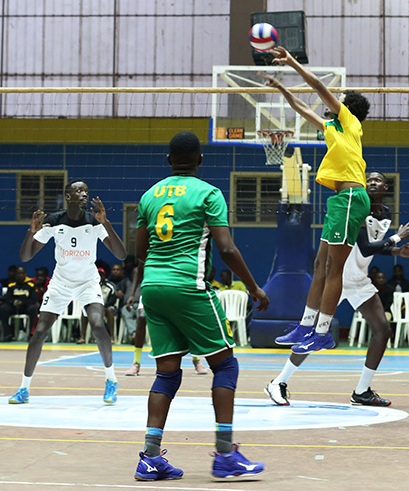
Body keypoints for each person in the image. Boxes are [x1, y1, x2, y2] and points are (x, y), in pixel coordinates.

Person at [130, 131, 269, 481]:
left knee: (166, 374)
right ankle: (224, 455)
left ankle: (149, 458)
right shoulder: (209, 193)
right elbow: (226, 249)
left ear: (168, 160)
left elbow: (141, 252)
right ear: (200, 160)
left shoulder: (149, 195)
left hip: (153, 286)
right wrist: (254, 287)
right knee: (225, 366)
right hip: (188, 287)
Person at [265, 172, 409, 407]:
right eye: (367, 179)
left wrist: (395, 252)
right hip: (335, 281)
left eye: (377, 180)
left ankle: (361, 391)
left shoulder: (385, 213)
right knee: (311, 335)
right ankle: (278, 382)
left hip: (359, 281)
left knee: (382, 330)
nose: (371, 182)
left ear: (386, 187)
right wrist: (396, 239)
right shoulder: (357, 209)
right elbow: (366, 247)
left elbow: (365, 250)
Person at [263, 46, 372, 355]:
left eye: (338, 100)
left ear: (345, 106)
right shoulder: (332, 129)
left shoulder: (349, 121)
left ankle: (322, 332)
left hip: (352, 196)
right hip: (340, 199)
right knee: (319, 264)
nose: (330, 101)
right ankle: (306, 325)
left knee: (334, 269)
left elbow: (319, 88)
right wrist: (282, 88)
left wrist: (291, 63)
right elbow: (302, 108)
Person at [9, 180, 127, 405]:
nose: (84, 194)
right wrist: (31, 231)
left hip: (87, 282)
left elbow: (121, 255)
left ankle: (111, 381)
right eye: (79, 191)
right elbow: (25, 256)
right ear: (68, 196)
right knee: (40, 331)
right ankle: (24, 388)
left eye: (86, 191)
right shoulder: (54, 221)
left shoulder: (94, 221)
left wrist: (107, 223)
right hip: (61, 282)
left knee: (98, 324)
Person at [0, 266, 38, 342]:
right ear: (15, 274)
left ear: (25, 274)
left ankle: (31, 335)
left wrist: (22, 302)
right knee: (3, 308)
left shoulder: (31, 284)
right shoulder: (11, 284)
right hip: (14, 306)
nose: (20, 275)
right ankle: (7, 334)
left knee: (33, 308)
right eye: (18, 273)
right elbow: (8, 297)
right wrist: (13, 302)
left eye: (22, 273)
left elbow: (33, 299)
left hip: (26, 306)